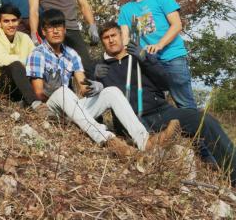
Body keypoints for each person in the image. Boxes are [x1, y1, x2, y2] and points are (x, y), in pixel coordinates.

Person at [25, 9, 179, 156]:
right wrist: (49, 91)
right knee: (63, 91)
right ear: (43, 32)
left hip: (72, 109)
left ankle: (144, 141)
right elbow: (38, 93)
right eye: (50, 28)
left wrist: (94, 86)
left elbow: (84, 88)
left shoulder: (71, 54)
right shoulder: (38, 54)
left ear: (65, 30)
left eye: (59, 27)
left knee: (111, 91)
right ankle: (109, 140)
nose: (56, 31)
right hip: (53, 109)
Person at [97, 22, 236, 185]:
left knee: (204, 121)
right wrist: (95, 77)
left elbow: (165, 83)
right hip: (132, 120)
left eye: (114, 35)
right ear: (102, 42)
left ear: (121, 36)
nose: (111, 40)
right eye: (106, 38)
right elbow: (93, 99)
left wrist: (146, 59)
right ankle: (156, 144)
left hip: (161, 111)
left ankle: (233, 175)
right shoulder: (99, 66)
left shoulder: (140, 54)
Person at [118, 0, 196, 109]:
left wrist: (159, 45)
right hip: (148, 62)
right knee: (155, 103)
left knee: (185, 103)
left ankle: (197, 131)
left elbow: (177, 25)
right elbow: (125, 38)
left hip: (172, 57)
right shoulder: (126, 10)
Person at [0, 4, 37, 104]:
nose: (11, 25)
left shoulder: (24, 37)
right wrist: (26, 65)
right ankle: (36, 104)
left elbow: (36, 59)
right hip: (0, 85)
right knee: (15, 65)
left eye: (14, 20)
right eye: (6, 21)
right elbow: (3, 60)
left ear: (18, 21)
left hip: (22, 83)